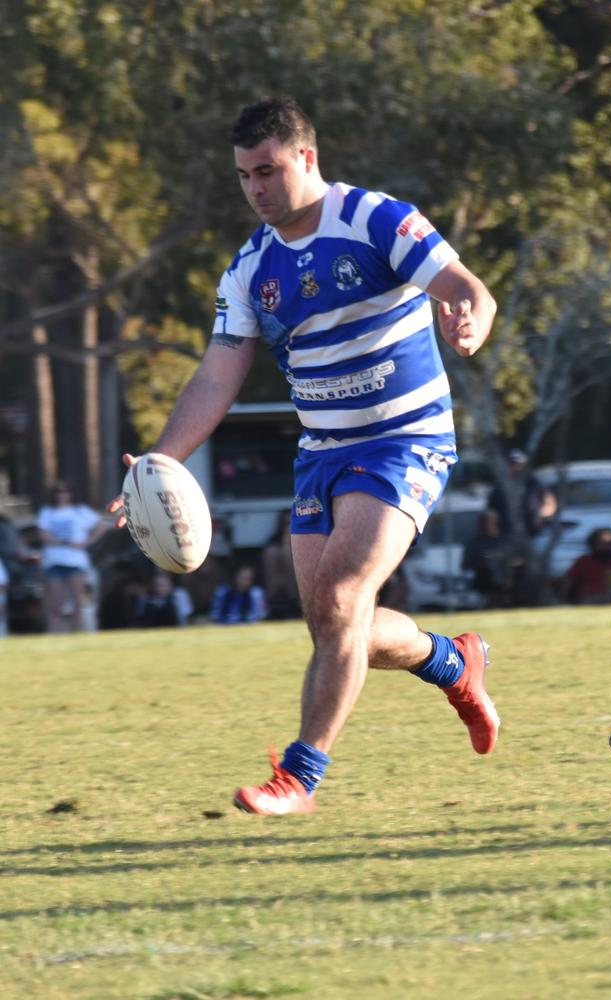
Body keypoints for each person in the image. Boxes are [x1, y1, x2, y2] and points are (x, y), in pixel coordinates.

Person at [108, 96, 500, 816]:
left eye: (268, 170)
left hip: (405, 439)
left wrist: (470, 315)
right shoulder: (251, 268)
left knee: (343, 601)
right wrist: (156, 463)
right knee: (331, 620)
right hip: (323, 449)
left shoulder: (377, 219)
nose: (256, 188)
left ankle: (299, 778)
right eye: (244, 176)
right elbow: (218, 371)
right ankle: (454, 661)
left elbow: (465, 285)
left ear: (306, 158)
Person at [37, 481, 108, 632]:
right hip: (54, 562)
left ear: (71, 494)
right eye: (58, 491)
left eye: (65, 491)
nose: (62, 495)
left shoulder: (80, 511)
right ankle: (55, 637)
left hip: (76, 563)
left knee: (78, 604)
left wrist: (86, 542)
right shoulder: (47, 512)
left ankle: (79, 635)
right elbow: (43, 535)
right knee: (55, 606)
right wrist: (65, 541)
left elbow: (102, 527)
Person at [557, 527, 611, 604]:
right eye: (602, 543)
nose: (606, 547)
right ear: (593, 544)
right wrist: (562, 601)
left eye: (609, 544)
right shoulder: (583, 561)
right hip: (589, 600)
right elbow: (568, 583)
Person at [462, 508, 519, 608]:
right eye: (482, 523)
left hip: (507, 588)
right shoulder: (474, 544)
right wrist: (484, 562)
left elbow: (518, 560)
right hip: (483, 589)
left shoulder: (505, 542)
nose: (484, 526)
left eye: (488, 522)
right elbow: (465, 565)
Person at [488, 449, 546, 538]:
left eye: (518, 464)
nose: (515, 467)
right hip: (506, 532)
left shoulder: (533, 483)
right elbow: (491, 509)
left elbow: (546, 502)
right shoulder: (500, 486)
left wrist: (538, 515)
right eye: (512, 464)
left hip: (530, 531)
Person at [261, 510, 301, 620]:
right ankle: (274, 603)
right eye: (285, 524)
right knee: (272, 553)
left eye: (290, 523)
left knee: (287, 552)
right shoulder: (273, 543)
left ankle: (293, 601)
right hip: (277, 585)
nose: (287, 527)